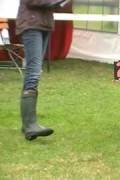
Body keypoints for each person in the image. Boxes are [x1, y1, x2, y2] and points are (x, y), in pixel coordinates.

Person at [16, 0, 68, 140]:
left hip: (43, 24)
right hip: (32, 24)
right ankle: (30, 125)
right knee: (33, 73)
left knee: (34, 73)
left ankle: (27, 124)